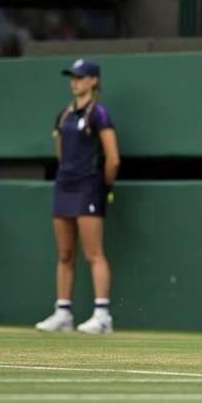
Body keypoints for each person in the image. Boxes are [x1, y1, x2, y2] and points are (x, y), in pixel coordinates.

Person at [36, 58, 120, 334]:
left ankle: (102, 315)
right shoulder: (63, 114)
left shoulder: (99, 114)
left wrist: (103, 186)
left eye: (81, 77)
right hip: (64, 186)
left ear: (93, 81)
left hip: (88, 188)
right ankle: (63, 312)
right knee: (65, 253)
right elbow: (61, 152)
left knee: (93, 252)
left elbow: (113, 159)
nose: (75, 81)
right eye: (72, 77)